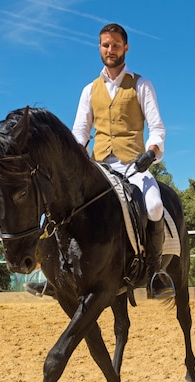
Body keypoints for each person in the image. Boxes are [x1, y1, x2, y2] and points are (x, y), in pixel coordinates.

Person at [25, 22, 174, 299]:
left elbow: (157, 127)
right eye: (106, 45)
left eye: (116, 45)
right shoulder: (89, 90)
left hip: (133, 166)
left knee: (154, 206)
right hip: (99, 167)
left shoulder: (141, 84)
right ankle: (46, 272)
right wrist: (73, 161)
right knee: (56, 199)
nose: (111, 49)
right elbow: (79, 133)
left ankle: (155, 273)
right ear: (99, 48)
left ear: (125, 48)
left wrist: (151, 153)